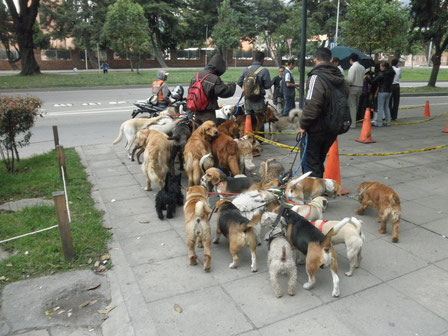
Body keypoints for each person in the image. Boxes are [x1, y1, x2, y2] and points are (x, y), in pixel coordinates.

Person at [300, 47, 349, 178]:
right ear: (331, 60)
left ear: (315, 59)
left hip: (317, 127)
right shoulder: (340, 78)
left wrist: (303, 125)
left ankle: (314, 193)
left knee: (311, 162)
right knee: (319, 159)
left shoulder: (316, 77)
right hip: (333, 127)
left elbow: (312, 105)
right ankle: (318, 186)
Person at [189, 54, 236, 124]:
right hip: (208, 113)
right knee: (210, 133)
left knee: (198, 133)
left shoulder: (196, 75)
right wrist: (232, 85)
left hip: (196, 111)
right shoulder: (213, 78)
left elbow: (190, 91)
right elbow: (224, 92)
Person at [237, 51, 272, 118]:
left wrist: (248, 88)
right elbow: (268, 86)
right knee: (259, 120)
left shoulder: (247, 69)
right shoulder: (264, 70)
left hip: (248, 100)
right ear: (262, 59)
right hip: (259, 100)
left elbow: (239, 82)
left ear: (254, 58)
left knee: (249, 119)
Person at [372, 62, 395, 127]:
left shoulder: (382, 74)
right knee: (386, 107)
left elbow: (374, 81)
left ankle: (379, 123)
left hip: (382, 91)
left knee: (380, 107)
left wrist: (368, 78)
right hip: (389, 91)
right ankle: (388, 122)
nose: (380, 68)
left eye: (381, 66)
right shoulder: (391, 73)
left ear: (384, 67)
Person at [347, 53, 365, 128]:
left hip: (353, 88)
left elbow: (350, 80)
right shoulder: (362, 67)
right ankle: (354, 121)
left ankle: (352, 123)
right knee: (356, 105)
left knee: (352, 106)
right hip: (360, 87)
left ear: (351, 60)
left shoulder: (353, 68)